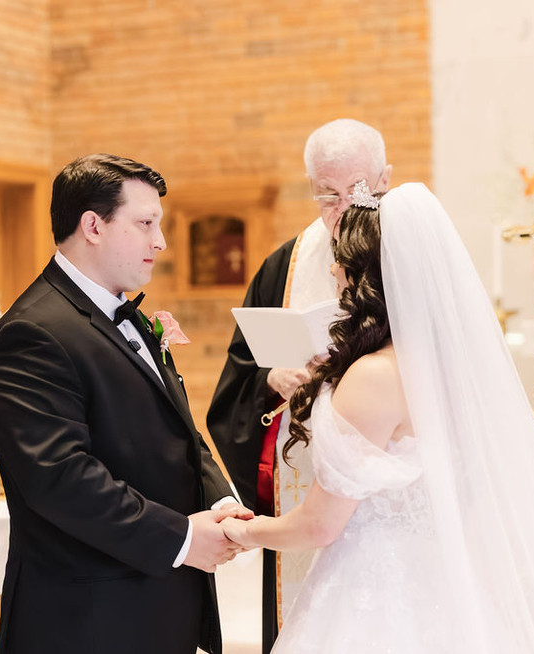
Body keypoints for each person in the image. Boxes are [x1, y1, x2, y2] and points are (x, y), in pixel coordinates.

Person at [221, 181, 534, 652]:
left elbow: (320, 524)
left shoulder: (374, 376)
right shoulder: (450, 369)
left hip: (377, 595)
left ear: (366, 275)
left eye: (341, 261)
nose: (335, 273)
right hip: (450, 584)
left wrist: (244, 530)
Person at [0, 153, 253, 654]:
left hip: (156, 600)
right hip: (88, 618)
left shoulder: (119, 314)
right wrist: (183, 538)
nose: (160, 241)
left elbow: (178, 430)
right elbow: (61, 478)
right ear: (93, 226)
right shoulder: (32, 332)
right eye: (146, 223)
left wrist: (220, 500)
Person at [206, 118, 391, 649]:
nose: (342, 209)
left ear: (385, 177)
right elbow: (235, 380)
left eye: (356, 190)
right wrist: (268, 382)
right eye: (325, 194)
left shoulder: (409, 259)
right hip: (308, 475)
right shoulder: (283, 266)